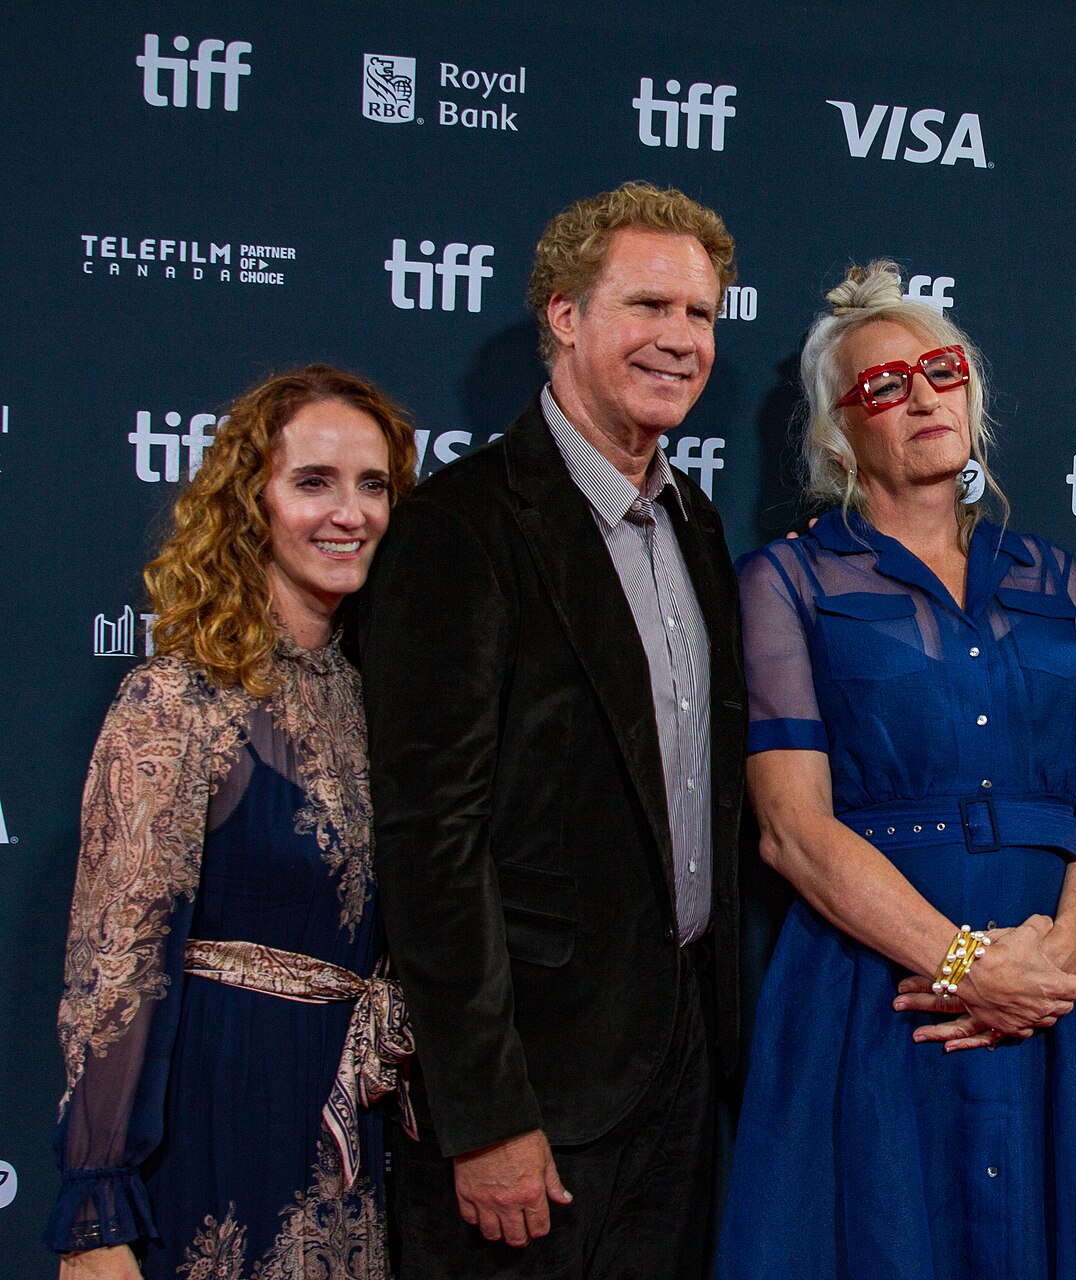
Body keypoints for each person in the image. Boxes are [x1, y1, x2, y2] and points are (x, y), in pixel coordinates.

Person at [715, 260, 1076, 1279]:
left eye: (943, 371)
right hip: (880, 991)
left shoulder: (1052, 575)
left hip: (1055, 993)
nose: (923, 396)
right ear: (838, 433)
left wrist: (1054, 959)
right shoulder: (787, 580)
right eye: (884, 385)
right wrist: (964, 967)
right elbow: (791, 829)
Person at [354, 182, 746, 1280]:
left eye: (701, 314)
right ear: (565, 314)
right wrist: (483, 1112)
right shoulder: (460, 526)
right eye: (649, 305)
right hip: (534, 1093)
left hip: (682, 1075)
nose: (680, 339)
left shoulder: (697, 525)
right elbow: (430, 841)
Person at [45, 366, 417, 1279]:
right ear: (251, 503)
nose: (351, 514)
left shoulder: (384, 702)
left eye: (374, 485)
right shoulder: (177, 700)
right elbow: (117, 963)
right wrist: (98, 1209)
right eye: (314, 482)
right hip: (213, 1117)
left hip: (346, 1128)